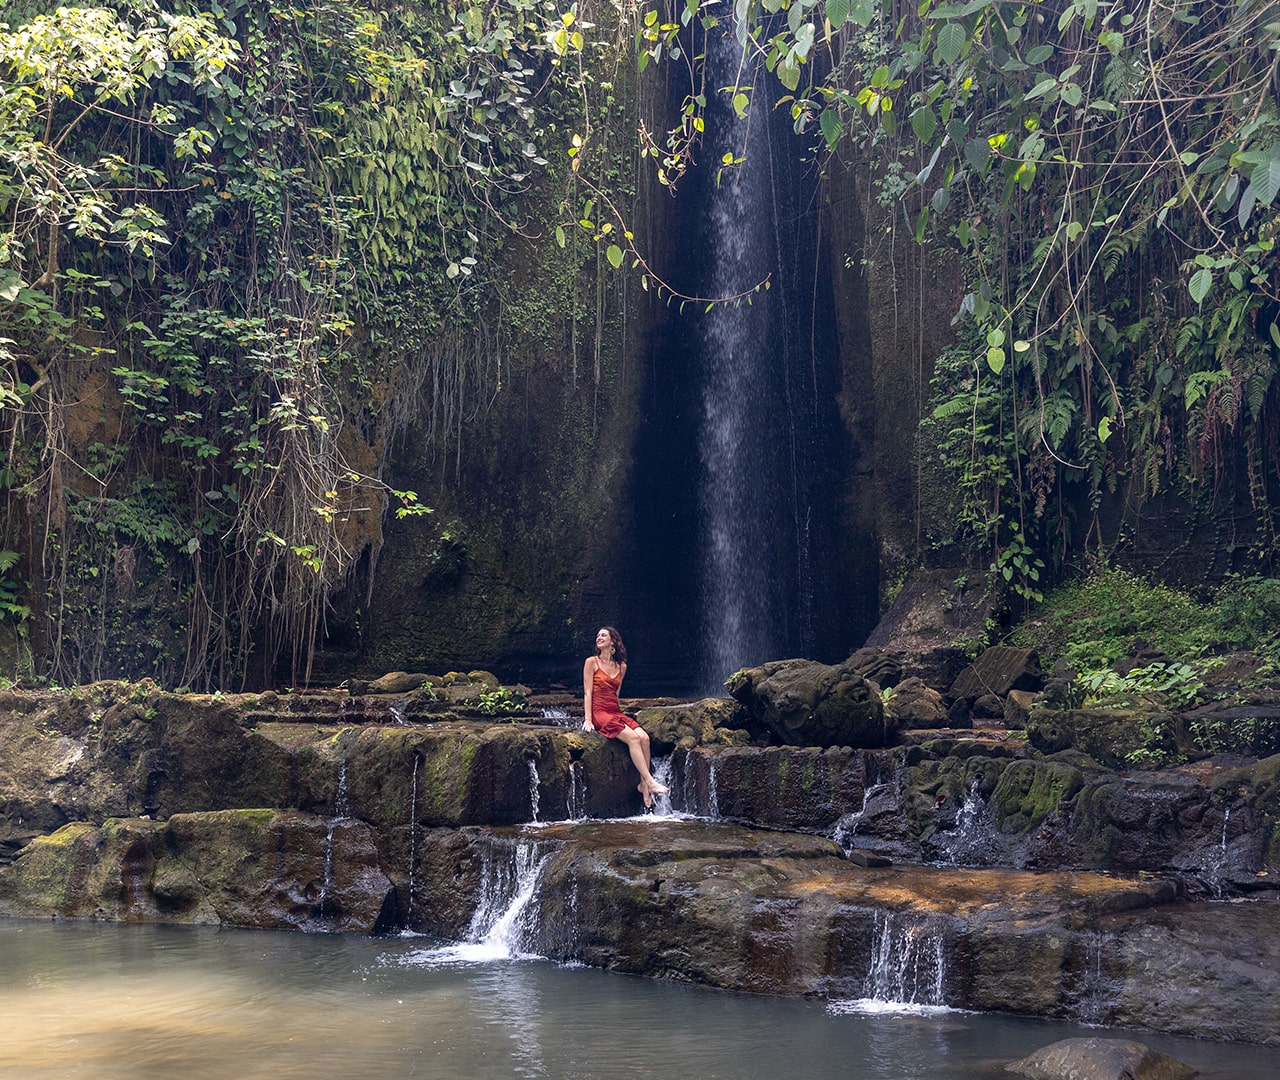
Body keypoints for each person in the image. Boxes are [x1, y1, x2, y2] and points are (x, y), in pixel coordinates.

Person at [582, 626, 670, 809]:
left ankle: (644, 786)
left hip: (614, 711)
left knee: (644, 738)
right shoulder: (591, 662)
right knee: (632, 738)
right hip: (599, 712)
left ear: (612, 641)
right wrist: (588, 719)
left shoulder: (622, 666)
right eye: (597, 635)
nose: (599, 637)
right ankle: (649, 780)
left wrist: (619, 715)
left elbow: (616, 694)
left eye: (603, 635)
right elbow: (587, 693)